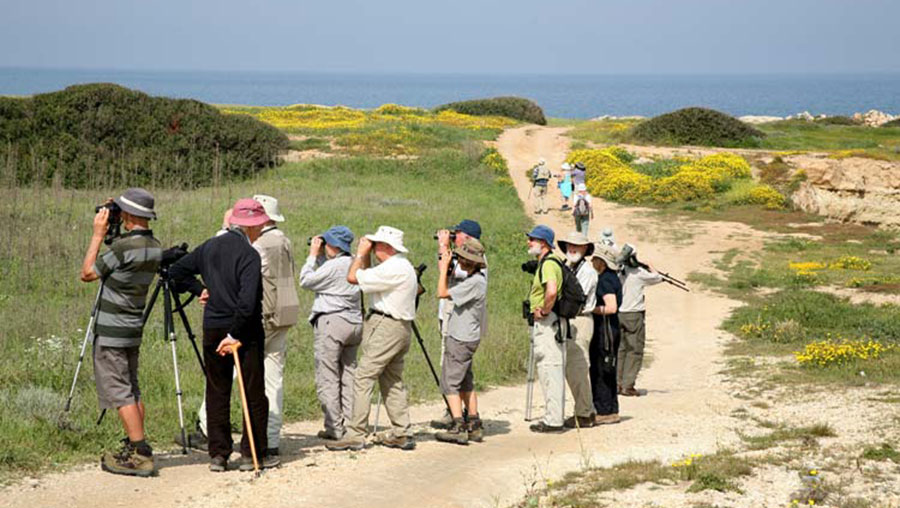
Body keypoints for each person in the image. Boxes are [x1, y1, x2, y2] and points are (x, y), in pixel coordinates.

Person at [181, 196, 300, 457]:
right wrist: (234, 333)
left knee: (217, 390)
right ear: (252, 226)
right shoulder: (250, 253)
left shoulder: (210, 246)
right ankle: (252, 452)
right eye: (259, 225)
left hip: (213, 325)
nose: (260, 230)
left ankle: (218, 454)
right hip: (244, 328)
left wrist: (199, 289)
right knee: (254, 391)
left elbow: (178, 272)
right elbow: (247, 302)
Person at [80, 188, 161, 477]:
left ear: (127, 215)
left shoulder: (122, 249)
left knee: (119, 391)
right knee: (132, 386)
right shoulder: (153, 245)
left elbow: (88, 273)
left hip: (112, 330)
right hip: (132, 327)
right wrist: (115, 227)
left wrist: (98, 234)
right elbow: (123, 256)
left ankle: (140, 453)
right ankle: (135, 443)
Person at [327, 226, 418, 452]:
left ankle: (355, 433)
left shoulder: (394, 268)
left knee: (363, 377)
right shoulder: (399, 266)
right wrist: (366, 256)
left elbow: (352, 277)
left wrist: (359, 253)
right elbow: (367, 277)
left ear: (386, 247)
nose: (373, 246)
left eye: (376, 244)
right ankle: (401, 431)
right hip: (399, 327)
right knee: (392, 379)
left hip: (387, 326)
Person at [299, 226, 363, 440]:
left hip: (332, 321)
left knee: (328, 375)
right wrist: (321, 257)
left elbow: (306, 280)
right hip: (354, 322)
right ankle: (352, 424)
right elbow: (326, 275)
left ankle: (334, 427)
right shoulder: (355, 261)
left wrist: (311, 256)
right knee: (349, 374)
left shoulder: (334, 266)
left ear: (333, 245)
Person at [249, 194, 299, 455]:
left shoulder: (259, 244)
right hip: (286, 312)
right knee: (274, 379)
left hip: (265, 313)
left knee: (234, 369)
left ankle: (207, 425)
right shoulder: (284, 240)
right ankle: (272, 438)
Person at [432, 219, 487, 429]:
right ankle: (473, 421)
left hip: (461, 336)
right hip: (468, 334)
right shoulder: (476, 277)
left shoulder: (474, 281)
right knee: (465, 379)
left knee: (450, 382)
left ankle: (457, 424)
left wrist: (444, 256)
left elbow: (442, 292)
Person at [525, 225, 568, 433]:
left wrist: (543, 310)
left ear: (543, 243)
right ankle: (554, 417)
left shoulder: (549, 264)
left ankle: (553, 420)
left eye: (532, 239)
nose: (529, 242)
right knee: (550, 368)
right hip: (553, 321)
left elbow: (551, 291)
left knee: (550, 368)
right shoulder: (550, 262)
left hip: (548, 322)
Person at [557, 232, 596, 429]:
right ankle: (583, 410)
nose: (572, 248)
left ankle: (585, 413)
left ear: (585, 249)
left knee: (577, 368)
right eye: (570, 245)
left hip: (580, 320)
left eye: (577, 246)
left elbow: (577, 298)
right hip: (567, 319)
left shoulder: (588, 272)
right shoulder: (567, 266)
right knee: (571, 368)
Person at [617, 246, 663, 397]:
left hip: (619, 314)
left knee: (621, 350)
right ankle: (628, 385)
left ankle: (617, 383)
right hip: (634, 315)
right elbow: (657, 278)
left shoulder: (619, 272)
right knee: (635, 350)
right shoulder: (638, 273)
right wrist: (649, 265)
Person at [589, 244, 623, 425]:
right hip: (610, 329)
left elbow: (611, 307)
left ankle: (604, 410)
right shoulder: (610, 277)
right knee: (606, 367)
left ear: (601, 262)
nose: (592, 261)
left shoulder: (606, 280)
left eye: (595, 258)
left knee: (602, 368)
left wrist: (589, 309)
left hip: (606, 330)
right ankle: (609, 408)